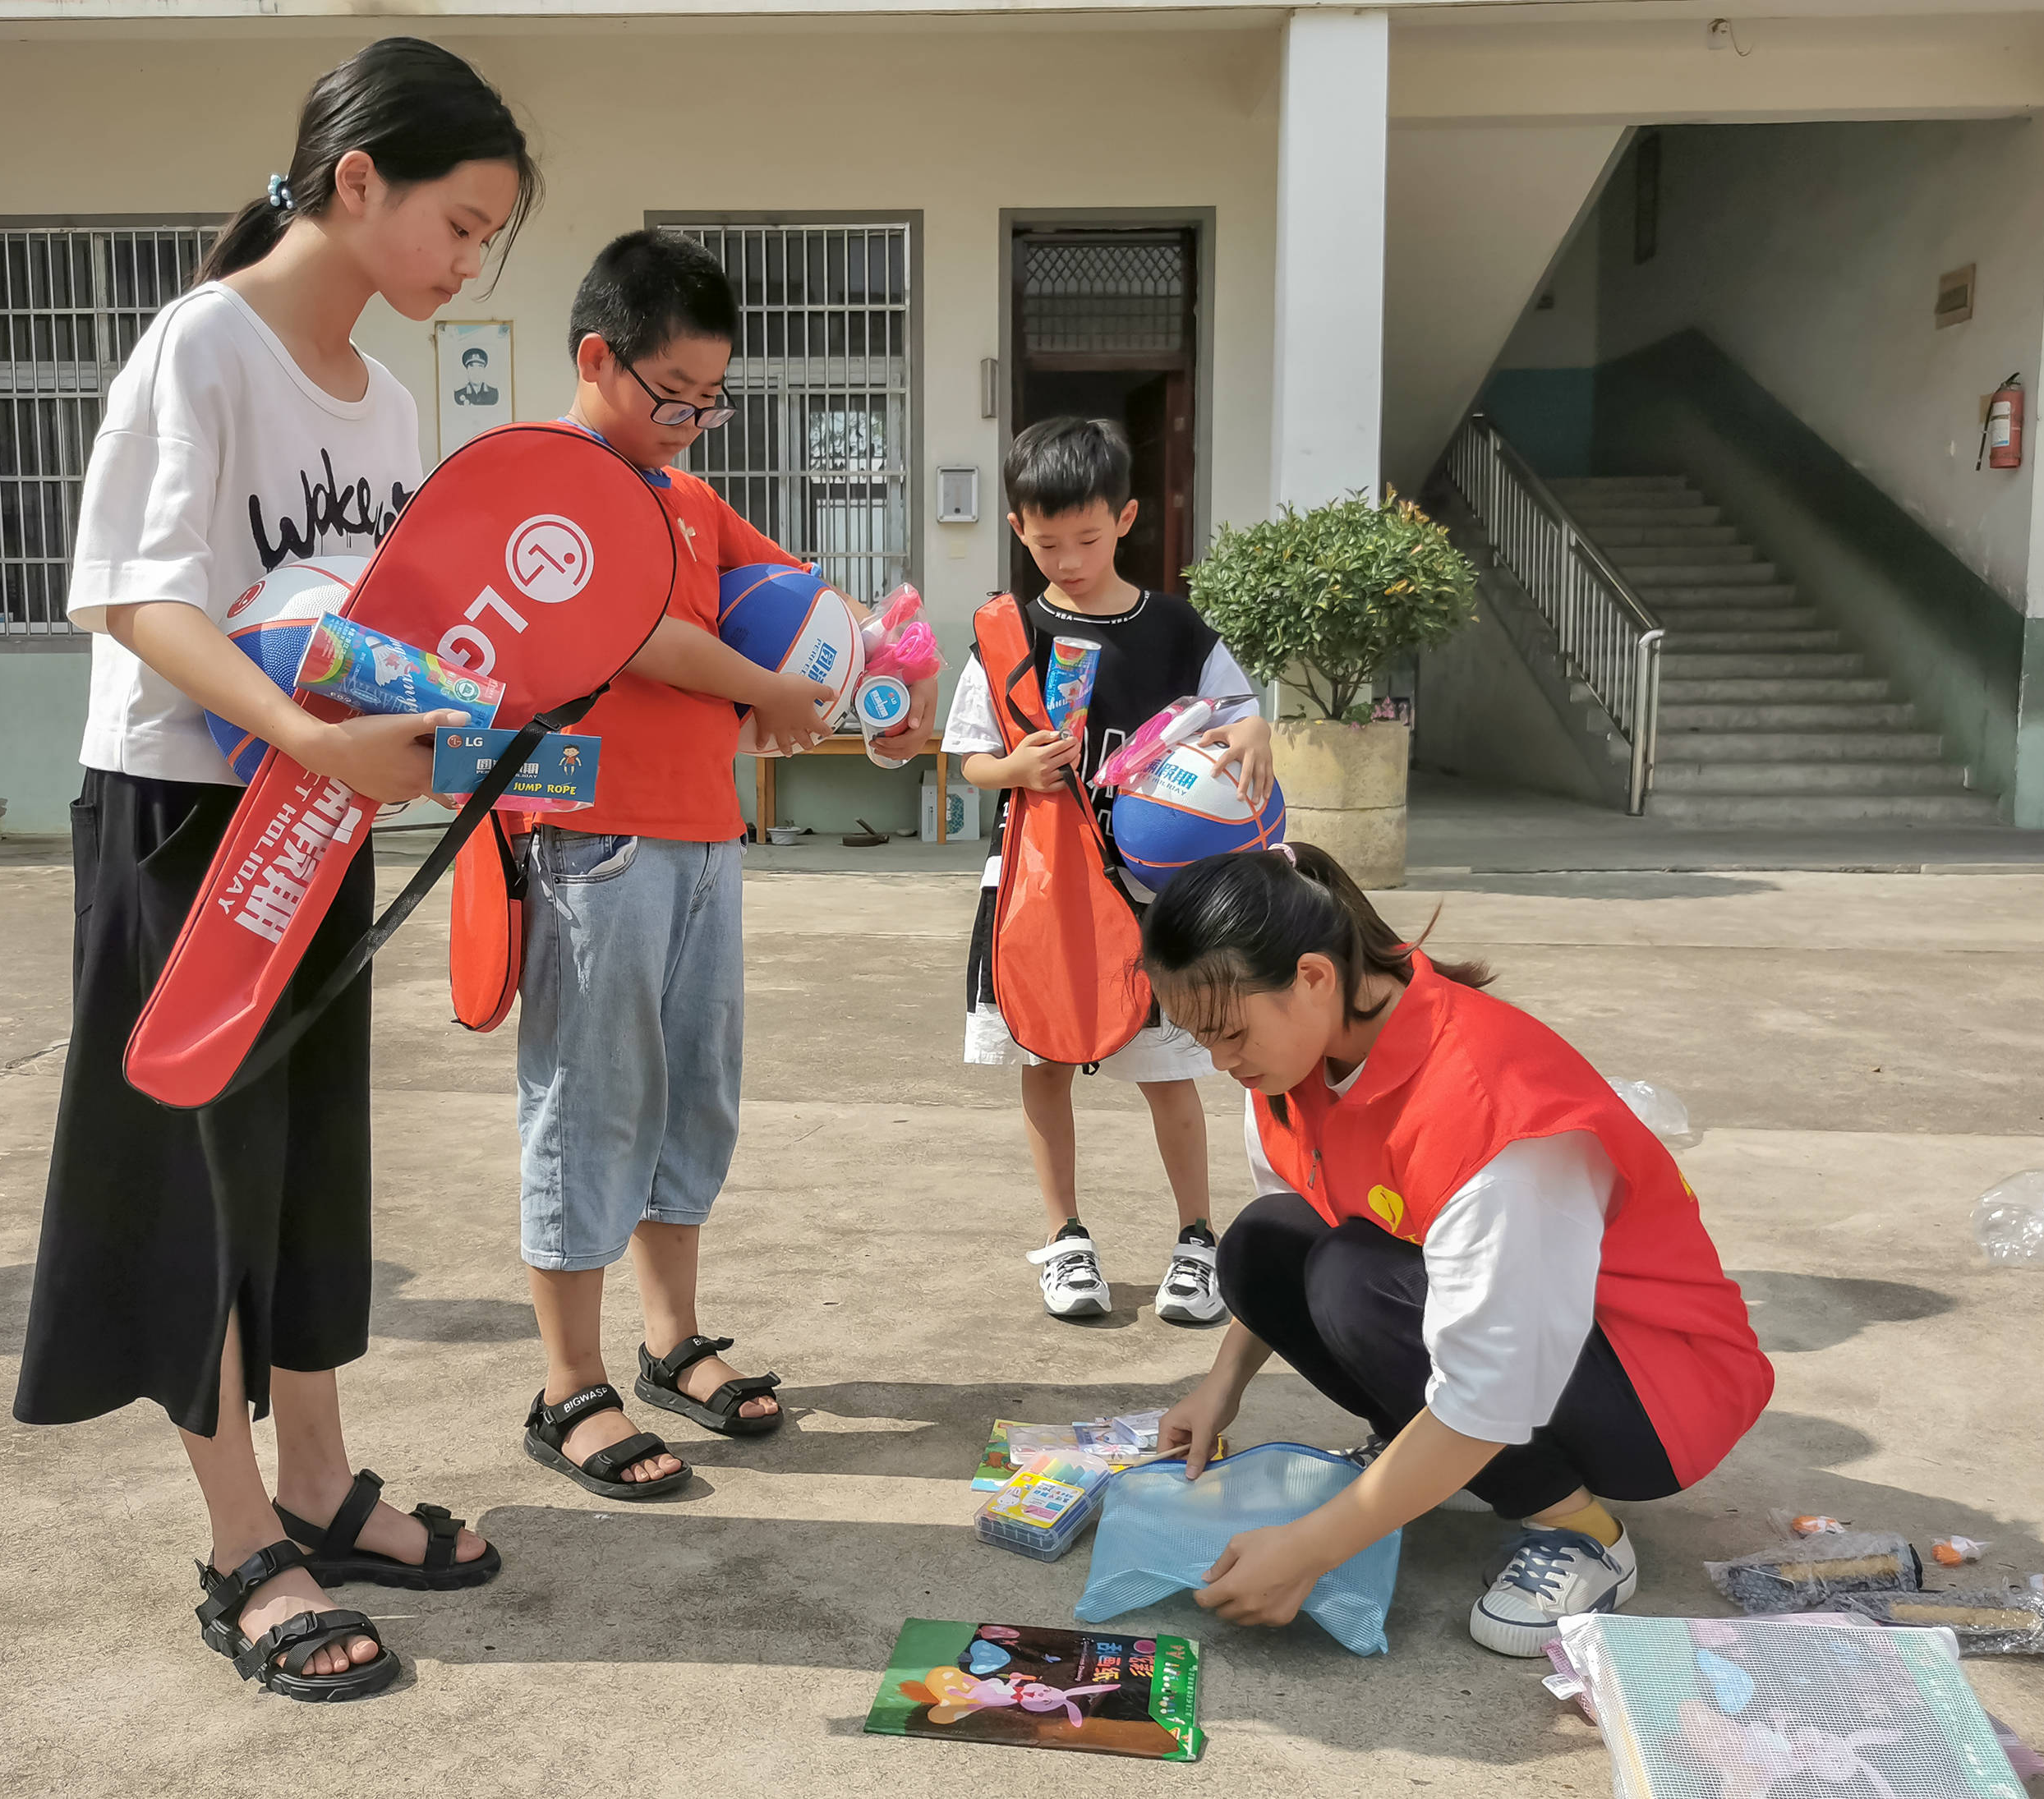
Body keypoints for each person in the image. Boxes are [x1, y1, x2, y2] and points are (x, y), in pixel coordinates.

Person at [13, 39, 540, 1702]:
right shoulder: (204, 346)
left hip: (312, 821)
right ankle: (244, 1539)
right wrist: (304, 742)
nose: (471, 263)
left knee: (310, 1160)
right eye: (462, 223)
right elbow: (135, 594)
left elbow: (371, 625)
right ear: (359, 179)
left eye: (492, 240)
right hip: (184, 814)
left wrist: (428, 729)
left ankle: (319, 1483)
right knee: (200, 1180)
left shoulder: (384, 403)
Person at [513, 229, 940, 1499]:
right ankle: (566, 1385)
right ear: (600, 358)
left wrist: (885, 688)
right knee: (591, 1100)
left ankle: (667, 1339)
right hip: (591, 839)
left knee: (692, 1090)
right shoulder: (552, 485)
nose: (696, 420)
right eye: (674, 395)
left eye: (713, 397)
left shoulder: (690, 498)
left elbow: (804, 598)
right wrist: (773, 688)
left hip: (703, 834)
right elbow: (639, 633)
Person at [1145, 844, 1772, 1656]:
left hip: (1655, 1391)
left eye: (1229, 1033)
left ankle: (1582, 1534)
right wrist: (1218, 1390)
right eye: (1202, 1041)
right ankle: (1419, 1456)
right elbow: (1299, 1216)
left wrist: (1312, 1548)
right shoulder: (1294, 1064)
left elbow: (1493, 1387)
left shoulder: (1487, 1109)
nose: (1223, 1063)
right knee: (1264, 1246)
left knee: (1350, 1278)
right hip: (1534, 1338)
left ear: (1313, 977)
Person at [941, 417, 1273, 1327]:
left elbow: (1241, 714)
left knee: (1170, 1069)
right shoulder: (1011, 634)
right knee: (1043, 1062)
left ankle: (1197, 1241)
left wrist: (1250, 732)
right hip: (1038, 894)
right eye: (1047, 543)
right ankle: (1067, 1240)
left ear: (1124, 518)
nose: (1069, 558)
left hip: (1153, 899)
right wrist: (1015, 770)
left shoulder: (1175, 629)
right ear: (1017, 528)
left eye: (1087, 539)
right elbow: (969, 755)